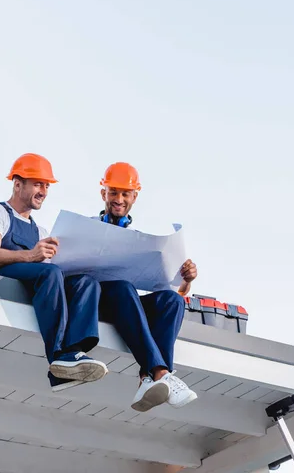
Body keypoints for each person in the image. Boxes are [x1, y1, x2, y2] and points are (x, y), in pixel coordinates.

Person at [0, 153, 107, 391]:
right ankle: (58, 356)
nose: (43, 191)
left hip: (34, 281)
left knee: (87, 283)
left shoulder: (41, 231)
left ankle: (72, 353)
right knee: (49, 274)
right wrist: (31, 255)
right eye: (38, 184)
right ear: (18, 183)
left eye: (46, 185)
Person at [97, 162, 198, 412]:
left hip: (126, 304)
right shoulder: (85, 228)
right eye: (113, 193)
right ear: (103, 194)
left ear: (134, 197)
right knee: (122, 288)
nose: (119, 199)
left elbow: (177, 292)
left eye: (125, 194)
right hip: (96, 301)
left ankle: (147, 379)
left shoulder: (139, 239)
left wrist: (186, 280)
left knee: (171, 301)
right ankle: (161, 373)